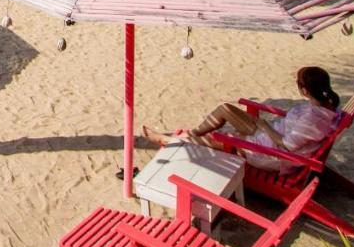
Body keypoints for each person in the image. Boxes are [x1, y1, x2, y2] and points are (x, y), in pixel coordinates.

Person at [143, 67, 341, 173]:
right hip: (268, 137)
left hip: (270, 154)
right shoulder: (325, 105)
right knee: (225, 109)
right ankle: (192, 135)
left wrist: (265, 126)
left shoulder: (312, 119)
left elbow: (288, 145)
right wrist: (265, 128)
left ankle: (169, 140)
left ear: (305, 90)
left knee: (221, 139)